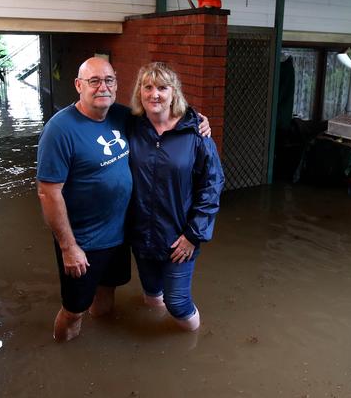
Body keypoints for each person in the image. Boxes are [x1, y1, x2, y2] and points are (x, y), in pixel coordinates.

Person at [36, 57, 210, 342]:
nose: (102, 87)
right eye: (93, 81)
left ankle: (105, 339)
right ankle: (62, 352)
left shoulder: (123, 116)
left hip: (120, 236)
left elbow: (165, 111)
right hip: (84, 241)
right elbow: (48, 192)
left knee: (107, 294)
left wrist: (198, 119)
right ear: (78, 85)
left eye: (108, 80)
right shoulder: (59, 130)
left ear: (116, 85)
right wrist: (69, 247)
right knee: (74, 309)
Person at [126, 62, 224, 332]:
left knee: (178, 303)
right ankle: (155, 353)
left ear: (174, 93)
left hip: (179, 237)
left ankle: (196, 344)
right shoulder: (131, 126)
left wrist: (194, 235)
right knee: (151, 294)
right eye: (148, 87)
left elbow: (212, 185)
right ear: (140, 92)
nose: (154, 94)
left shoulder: (196, 133)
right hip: (142, 234)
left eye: (162, 87)